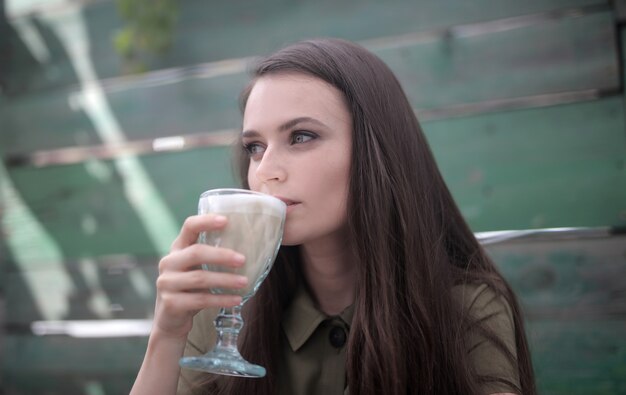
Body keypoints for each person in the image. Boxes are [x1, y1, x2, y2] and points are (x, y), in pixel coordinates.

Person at [131, 38, 536, 395]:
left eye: (301, 136)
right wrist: (166, 336)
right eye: (254, 146)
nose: (265, 169)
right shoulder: (221, 309)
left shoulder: (465, 307)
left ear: (374, 151)